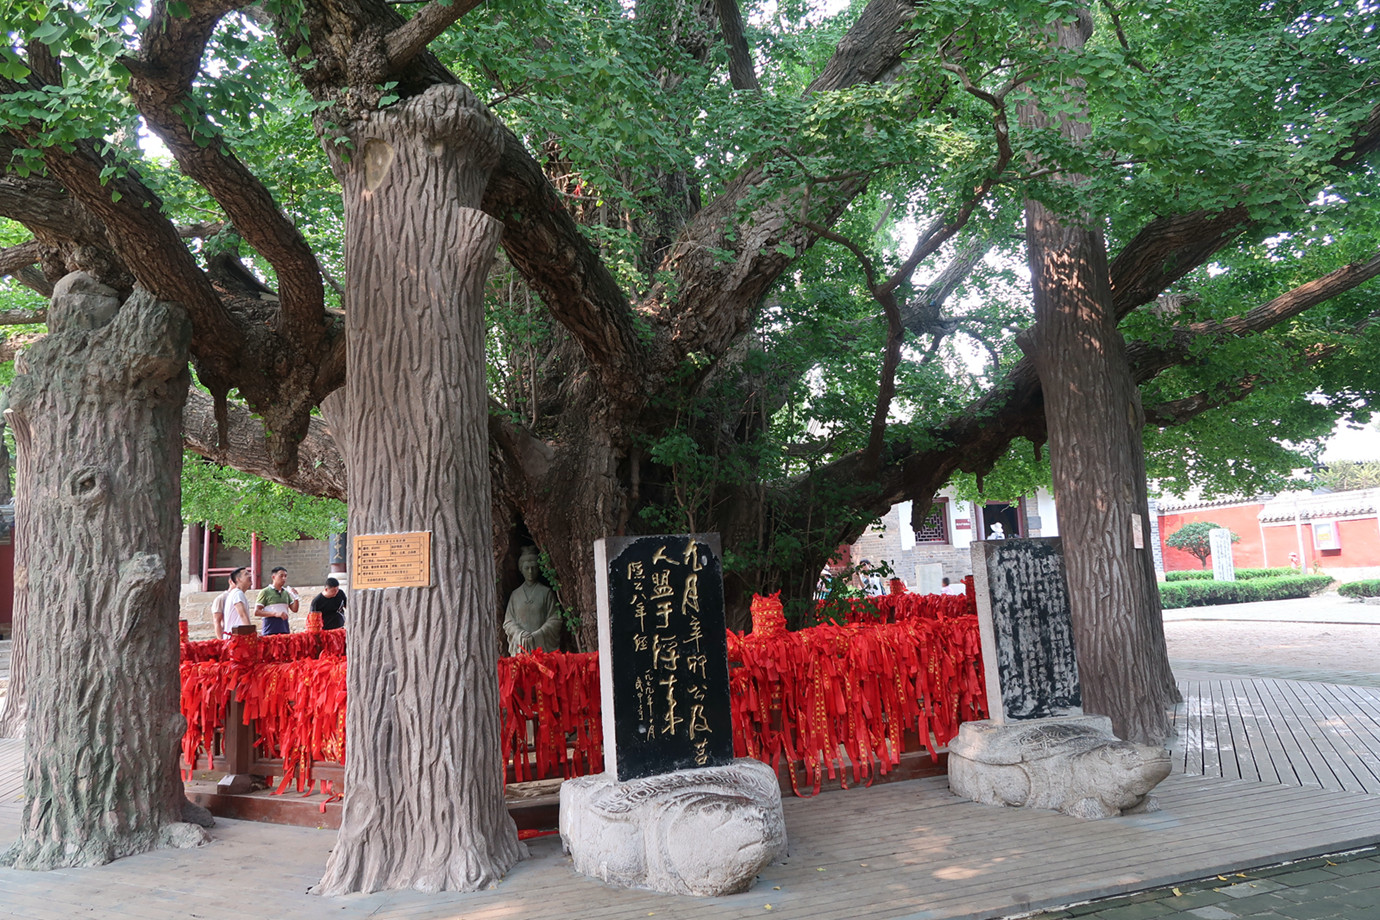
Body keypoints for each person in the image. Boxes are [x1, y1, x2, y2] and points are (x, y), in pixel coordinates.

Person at [503, 547, 563, 655]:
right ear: (521, 569)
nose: (530, 571)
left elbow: (555, 619)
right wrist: (520, 634)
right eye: (527, 568)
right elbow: (508, 622)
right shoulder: (515, 595)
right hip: (522, 646)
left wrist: (538, 634)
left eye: (534, 568)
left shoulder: (546, 592)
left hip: (541, 647)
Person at [255, 566, 299, 636]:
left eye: (285, 576)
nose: (284, 578)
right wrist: (275, 614)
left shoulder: (286, 592)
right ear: (273, 577)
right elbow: (257, 612)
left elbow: (294, 609)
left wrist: (296, 597)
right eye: (281, 576)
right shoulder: (265, 592)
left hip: (284, 628)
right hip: (270, 628)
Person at [223, 567, 253, 636]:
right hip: (236, 638)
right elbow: (242, 615)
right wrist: (251, 634)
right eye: (246, 574)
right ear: (238, 579)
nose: (250, 576)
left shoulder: (236, 593)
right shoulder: (237, 593)